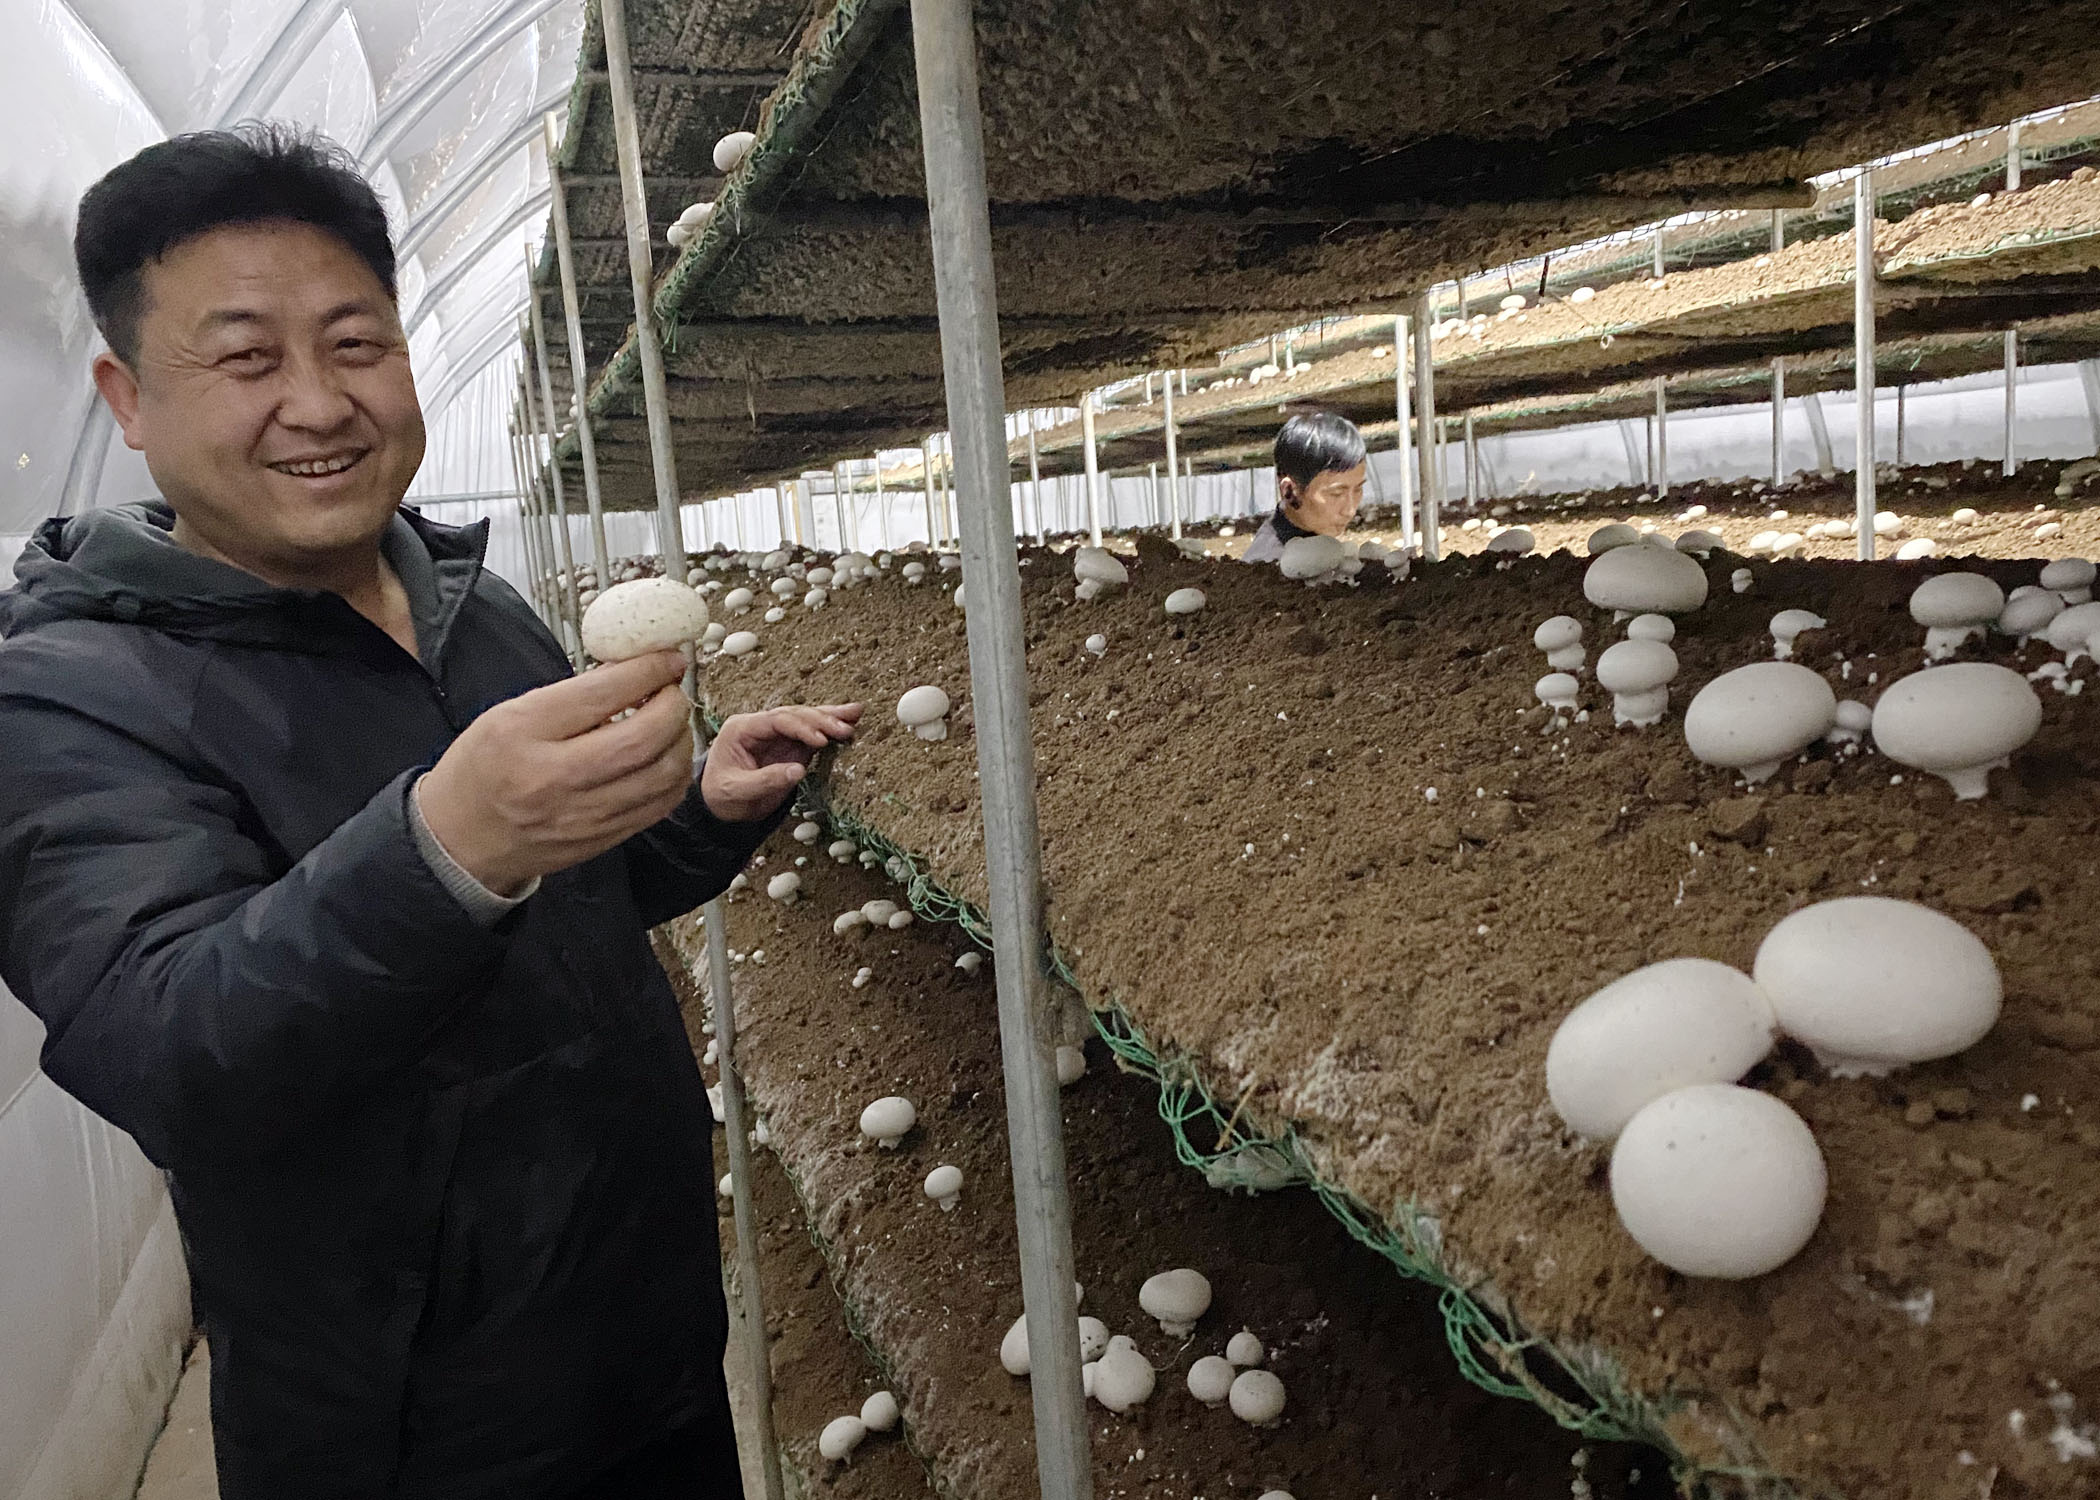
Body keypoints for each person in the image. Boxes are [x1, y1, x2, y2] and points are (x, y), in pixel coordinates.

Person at [0, 125, 859, 1500]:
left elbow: (575, 896)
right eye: (246, 359)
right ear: (126, 397)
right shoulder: (65, 697)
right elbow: (168, 1044)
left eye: (356, 344)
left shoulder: (473, 603)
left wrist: (699, 810)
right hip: (404, 1429)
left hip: (643, 1343)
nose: (320, 403)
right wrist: (447, 844)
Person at [1240, 411, 1368, 564]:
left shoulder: (1313, 544)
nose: (1350, 511)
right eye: (1336, 493)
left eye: (1358, 489)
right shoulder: (1271, 568)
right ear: (1289, 492)